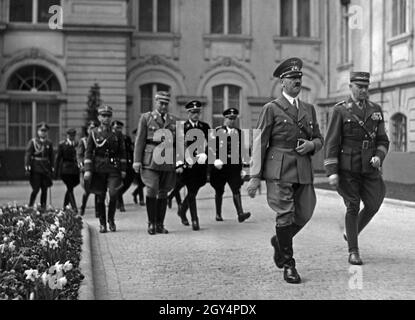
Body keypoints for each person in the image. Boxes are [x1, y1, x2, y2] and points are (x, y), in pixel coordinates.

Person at [247, 57, 324, 284]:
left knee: (306, 211)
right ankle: (289, 264)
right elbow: (259, 142)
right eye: (292, 78)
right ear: (282, 82)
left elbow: (319, 138)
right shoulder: (271, 108)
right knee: (285, 213)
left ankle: (279, 241)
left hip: (302, 168)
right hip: (278, 168)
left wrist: (312, 145)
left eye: (299, 77)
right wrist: (254, 176)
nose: (297, 81)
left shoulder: (309, 109)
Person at [324, 71, 389, 265]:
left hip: (369, 167)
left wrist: (379, 156)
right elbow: (332, 142)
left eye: (365, 87)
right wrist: (332, 171)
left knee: (375, 202)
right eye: (359, 87)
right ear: (350, 86)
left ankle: (351, 232)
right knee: (352, 205)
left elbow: (383, 139)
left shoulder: (375, 110)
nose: (363, 90)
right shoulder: (341, 110)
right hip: (348, 167)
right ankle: (353, 251)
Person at [133, 91, 181, 235]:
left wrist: (180, 162)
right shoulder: (146, 118)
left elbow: (179, 143)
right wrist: (137, 161)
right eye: (161, 103)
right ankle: (151, 223)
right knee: (152, 188)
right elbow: (140, 140)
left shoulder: (173, 120)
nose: (164, 106)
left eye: (166, 103)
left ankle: (160, 224)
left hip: (168, 159)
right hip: (150, 159)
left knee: (164, 191)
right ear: (156, 102)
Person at [84, 106, 127, 233]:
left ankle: (111, 220)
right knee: (100, 196)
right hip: (98, 168)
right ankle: (102, 223)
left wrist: (123, 169)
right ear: (99, 117)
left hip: (113, 168)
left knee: (113, 194)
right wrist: (87, 169)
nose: (106, 118)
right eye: (103, 116)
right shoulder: (93, 133)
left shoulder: (117, 134)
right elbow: (88, 152)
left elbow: (122, 152)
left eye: (108, 116)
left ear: (111, 117)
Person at [210, 108, 251, 223]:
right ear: (225, 119)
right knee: (219, 190)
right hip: (220, 167)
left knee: (236, 189)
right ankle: (218, 214)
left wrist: (245, 168)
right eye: (229, 118)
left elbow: (243, 151)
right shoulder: (217, 131)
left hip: (234, 166)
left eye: (234, 119)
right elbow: (211, 149)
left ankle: (240, 214)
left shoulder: (239, 133)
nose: (232, 121)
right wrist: (215, 160)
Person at [176, 100, 210, 230]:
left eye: (197, 112)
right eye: (193, 112)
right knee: (191, 191)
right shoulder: (182, 128)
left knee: (194, 190)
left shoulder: (205, 127)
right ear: (188, 113)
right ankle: (195, 220)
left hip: (201, 164)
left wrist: (206, 155)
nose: (196, 115)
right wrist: (179, 164)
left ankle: (182, 210)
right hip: (188, 165)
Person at [24, 122, 54, 210]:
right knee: (36, 189)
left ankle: (43, 207)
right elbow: (28, 155)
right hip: (36, 168)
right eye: (41, 131)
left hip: (45, 169)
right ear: (38, 132)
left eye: (45, 131)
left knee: (44, 189)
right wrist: (27, 166)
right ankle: (30, 205)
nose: (43, 133)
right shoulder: (33, 142)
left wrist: (52, 167)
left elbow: (51, 156)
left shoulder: (49, 143)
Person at [54, 128, 80, 212]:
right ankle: (74, 207)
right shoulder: (62, 144)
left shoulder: (77, 144)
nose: (72, 137)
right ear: (67, 135)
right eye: (70, 135)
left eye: (73, 135)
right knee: (70, 187)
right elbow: (58, 158)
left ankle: (65, 206)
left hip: (75, 170)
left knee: (71, 187)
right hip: (65, 169)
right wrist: (55, 172)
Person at [112, 120, 135, 212]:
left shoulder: (126, 138)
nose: (118, 129)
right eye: (116, 128)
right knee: (118, 184)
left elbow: (130, 151)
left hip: (127, 163)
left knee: (128, 181)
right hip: (115, 164)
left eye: (120, 128)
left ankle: (118, 196)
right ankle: (120, 203)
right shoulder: (111, 137)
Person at [77, 121, 99, 217]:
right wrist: (82, 164)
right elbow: (79, 154)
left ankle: (97, 211)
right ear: (87, 130)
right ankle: (83, 207)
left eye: (93, 128)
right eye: (90, 128)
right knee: (88, 190)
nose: (91, 130)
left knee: (98, 190)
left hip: (97, 168)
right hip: (86, 168)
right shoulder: (83, 141)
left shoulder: (99, 140)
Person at [131, 128, 146, 206]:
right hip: (135, 166)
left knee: (144, 183)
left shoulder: (143, 143)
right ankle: (141, 199)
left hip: (143, 164)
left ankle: (135, 193)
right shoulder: (133, 144)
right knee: (140, 182)